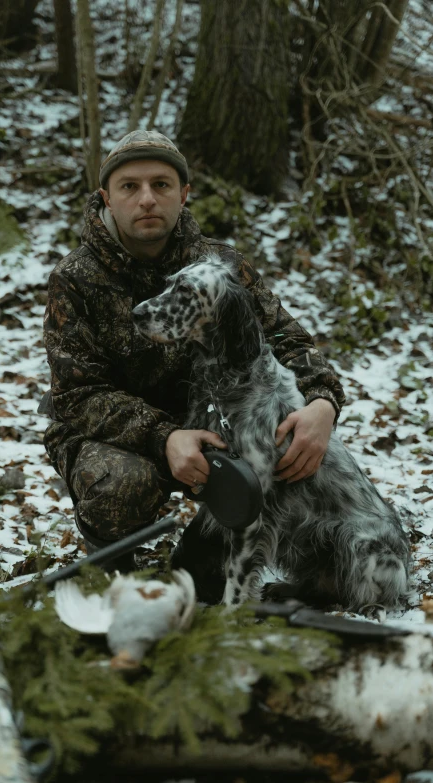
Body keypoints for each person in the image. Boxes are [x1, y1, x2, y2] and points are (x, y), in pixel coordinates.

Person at [42, 130, 345, 599]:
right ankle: (115, 565)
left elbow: (287, 339)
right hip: (119, 437)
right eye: (129, 187)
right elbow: (77, 395)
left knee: (203, 578)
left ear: (184, 195)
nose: (146, 199)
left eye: (161, 185)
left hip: (216, 433)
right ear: (106, 197)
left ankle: (224, 552)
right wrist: (163, 436)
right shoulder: (75, 278)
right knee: (120, 484)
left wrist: (323, 403)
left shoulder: (221, 265)